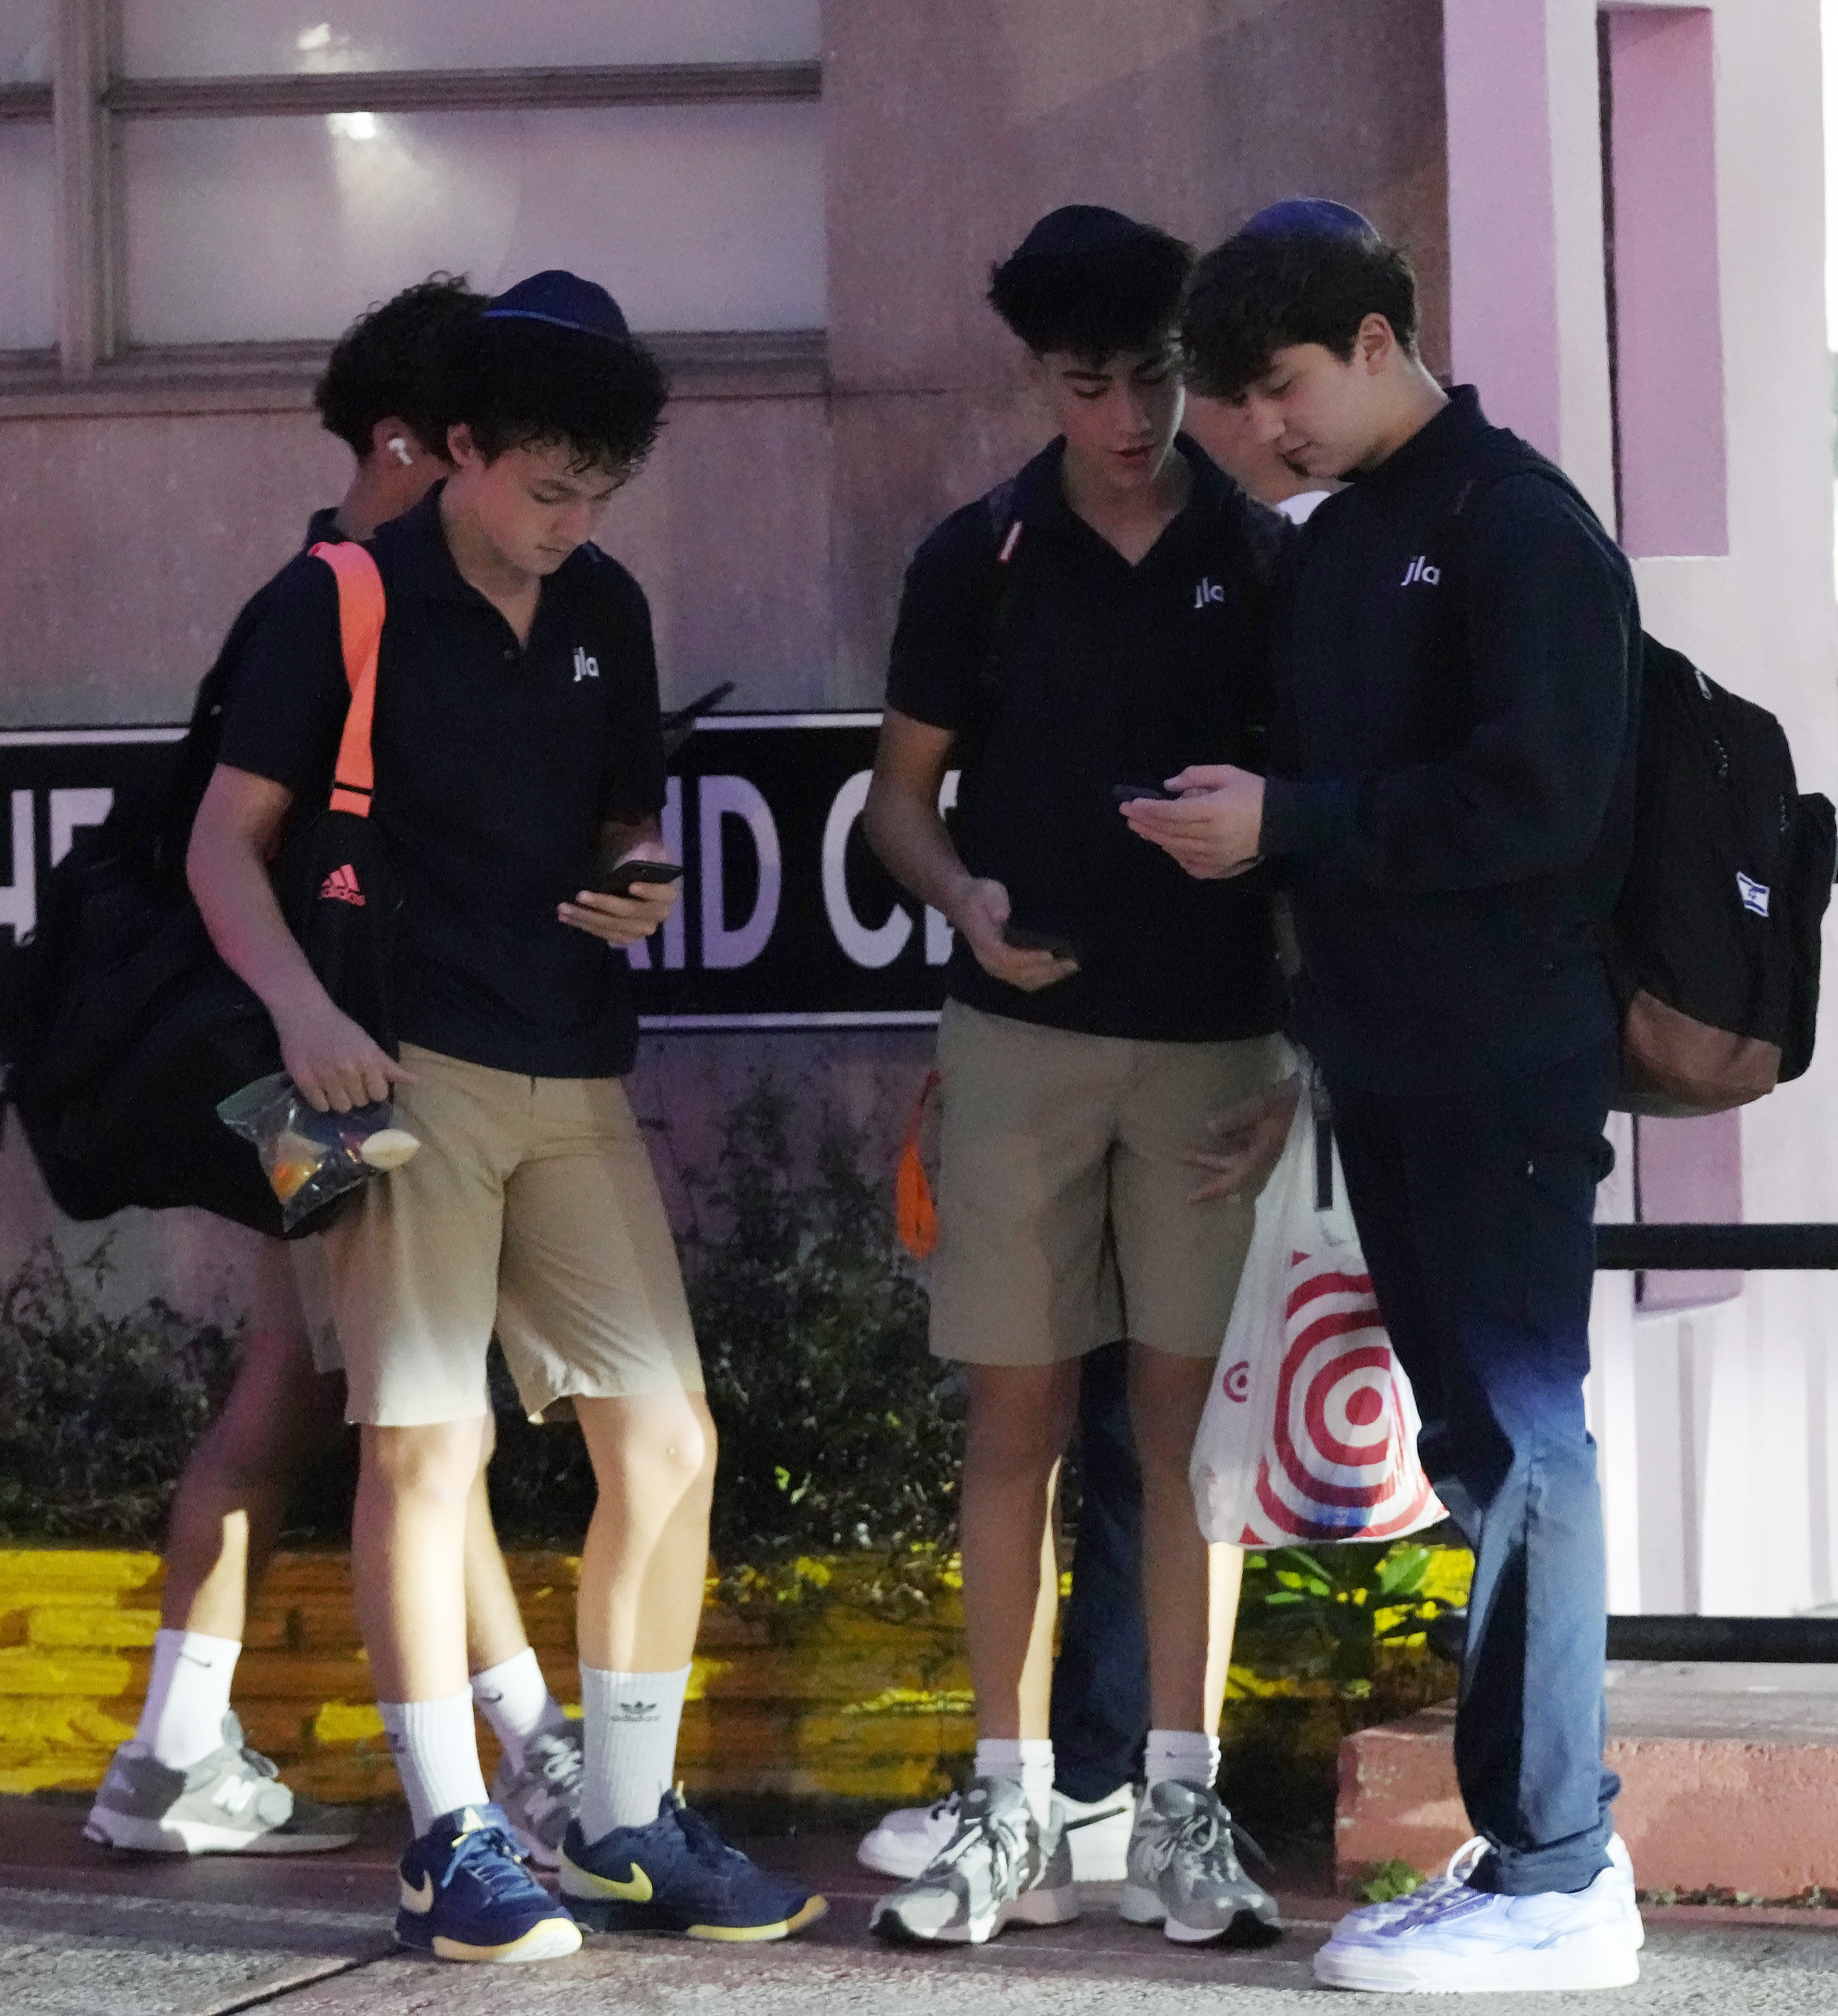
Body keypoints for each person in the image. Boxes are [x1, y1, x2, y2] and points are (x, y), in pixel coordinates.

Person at [188, 270, 822, 1965]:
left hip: (572, 1059)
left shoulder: (606, 600)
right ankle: (446, 1837)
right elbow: (216, 849)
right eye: (547, 487)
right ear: (455, 449)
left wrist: (635, 882)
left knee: (669, 1441)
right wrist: (305, 1012)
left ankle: (619, 1822)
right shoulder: (342, 597)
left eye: (600, 491)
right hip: (399, 1071)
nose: (572, 521)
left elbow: (623, 816)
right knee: (424, 1441)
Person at [1140, 199, 1645, 1995]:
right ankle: (1535, 1853)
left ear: (1374, 340)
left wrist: (1288, 823)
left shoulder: (1514, 527)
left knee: (1519, 1444)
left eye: (1280, 386)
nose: (1264, 429)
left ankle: (1562, 1870)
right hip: (1396, 1050)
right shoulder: (1355, 535)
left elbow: (1541, 800)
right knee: (1483, 1446)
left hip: (1503, 1047)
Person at [84, 276, 583, 1866]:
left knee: (339, 1387)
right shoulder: (335, 600)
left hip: (329, 1068)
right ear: (409, 440)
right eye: (474, 441)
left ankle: (174, 1752)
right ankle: (532, 1753)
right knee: (402, 1400)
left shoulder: (349, 588)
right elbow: (252, 854)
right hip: (323, 1066)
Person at [854, 205, 1295, 1951]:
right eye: (1092, 382)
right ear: (1032, 375)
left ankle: (1182, 1801)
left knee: (1188, 1446)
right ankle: (1010, 1795)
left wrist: (1305, 1046)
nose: (1130, 417)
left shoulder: (1265, 557)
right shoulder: (979, 555)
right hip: (1017, 1039)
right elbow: (897, 799)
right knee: (1015, 1425)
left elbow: (1326, 817)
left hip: (1215, 1051)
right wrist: (959, 894)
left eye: (1157, 379)